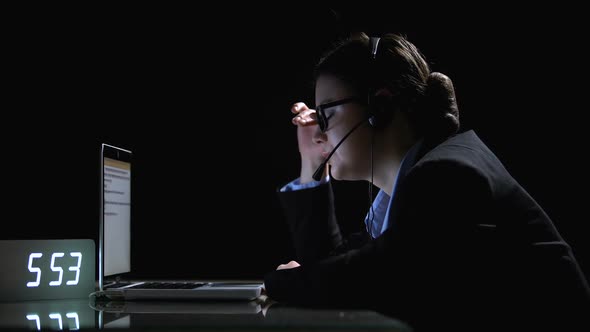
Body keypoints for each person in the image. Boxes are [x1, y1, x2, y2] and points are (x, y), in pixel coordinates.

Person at [262, 32, 590, 330]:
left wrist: (284, 281)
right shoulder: (416, 181)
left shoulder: (450, 173)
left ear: (380, 106)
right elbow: (334, 273)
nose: (317, 131)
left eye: (326, 114)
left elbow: (376, 277)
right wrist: (311, 163)